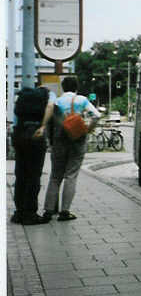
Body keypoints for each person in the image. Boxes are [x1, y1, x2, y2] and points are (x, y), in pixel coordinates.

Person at [41, 76, 100, 221]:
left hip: (59, 140)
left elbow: (49, 122)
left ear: (63, 87)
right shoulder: (81, 100)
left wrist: (50, 140)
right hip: (77, 140)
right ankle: (65, 212)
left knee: (55, 176)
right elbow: (97, 115)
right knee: (71, 175)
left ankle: (48, 210)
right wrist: (88, 129)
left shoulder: (57, 101)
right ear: (76, 87)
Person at [10, 86, 54, 225]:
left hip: (19, 134)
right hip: (35, 134)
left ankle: (19, 212)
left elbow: (16, 116)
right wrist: (42, 126)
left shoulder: (23, 96)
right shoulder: (49, 94)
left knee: (21, 174)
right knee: (33, 176)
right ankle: (30, 214)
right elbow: (50, 107)